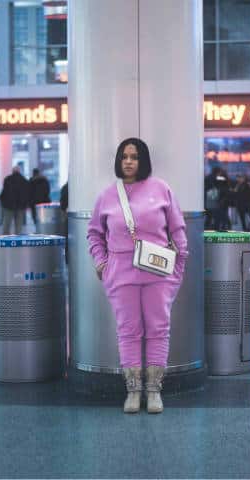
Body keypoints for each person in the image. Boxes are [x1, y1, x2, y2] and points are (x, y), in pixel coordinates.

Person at [87, 138, 188, 414]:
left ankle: (154, 391)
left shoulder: (162, 189)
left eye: (134, 157)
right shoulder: (107, 195)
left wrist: (178, 267)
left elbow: (177, 230)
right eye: (124, 157)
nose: (129, 162)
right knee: (128, 331)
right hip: (120, 275)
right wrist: (102, 263)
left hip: (158, 274)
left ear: (143, 160)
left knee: (158, 328)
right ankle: (133, 391)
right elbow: (94, 234)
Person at [0, 166, 30, 235]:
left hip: (9, 205)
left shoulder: (7, 179)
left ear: (13, 171)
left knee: (7, 222)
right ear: (19, 172)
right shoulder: (24, 180)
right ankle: (17, 237)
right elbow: (27, 194)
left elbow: (4, 192)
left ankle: (6, 237)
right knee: (19, 224)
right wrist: (26, 204)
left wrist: (2, 200)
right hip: (21, 206)